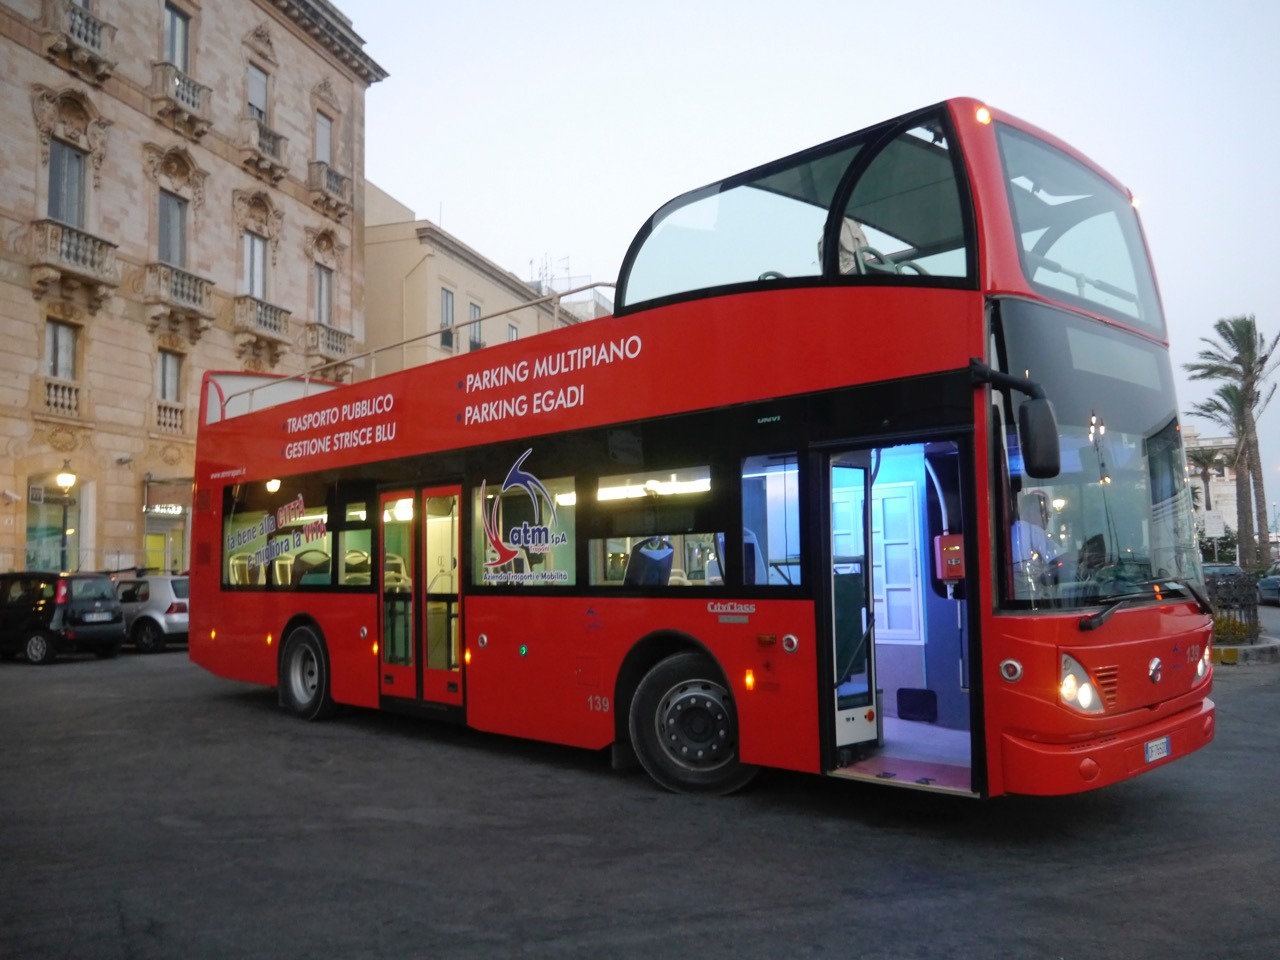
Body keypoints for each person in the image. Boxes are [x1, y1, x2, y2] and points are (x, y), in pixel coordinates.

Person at [1011, 490, 1058, 586]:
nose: (1047, 517)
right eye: (1043, 512)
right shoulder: (1034, 531)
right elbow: (1060, 558)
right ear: (1030, 511)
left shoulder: (1013, 530)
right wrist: (1079, 558)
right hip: (1032, 595)